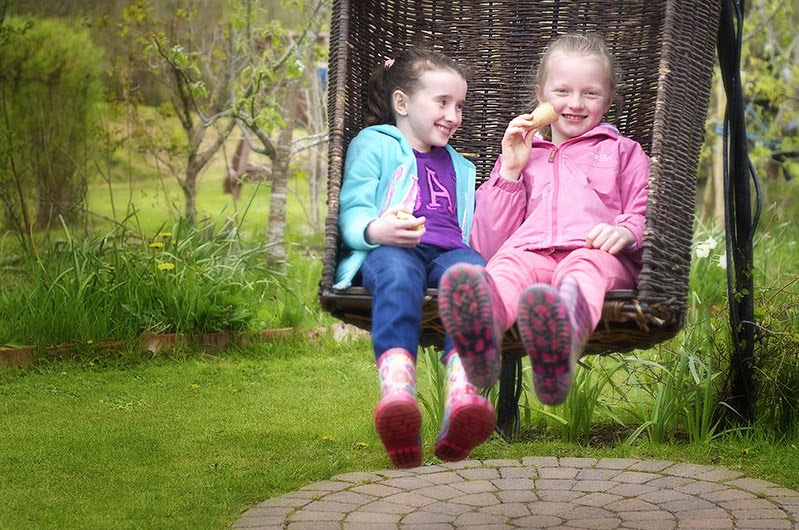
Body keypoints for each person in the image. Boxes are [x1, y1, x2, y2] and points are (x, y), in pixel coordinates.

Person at [439, 33, 649, 406]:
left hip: (596, 253)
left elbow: (648, 209)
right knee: (505, 267)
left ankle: (560, 341)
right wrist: (510, 171)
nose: (575, 104)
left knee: (584, 267)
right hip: (531, 252)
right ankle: (481, 342)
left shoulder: (623, 152)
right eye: (563, 91)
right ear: (541, 95)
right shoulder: (523, 153)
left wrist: (627, 230)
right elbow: (488, 243)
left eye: (590, 93)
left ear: (609, 98)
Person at [334, 47, 497, 468]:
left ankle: (463, 398)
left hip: (449, 252)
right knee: (397, 276)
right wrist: (375, 230)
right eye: (442, 102)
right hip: (393, 247)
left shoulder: (459, 165)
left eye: (460, 105)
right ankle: (398, 398)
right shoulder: (374, 144)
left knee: (473, 277)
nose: (454, 115)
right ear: (402, 103)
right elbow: (352, 206)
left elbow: (470, 225)